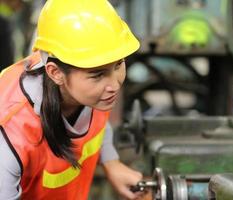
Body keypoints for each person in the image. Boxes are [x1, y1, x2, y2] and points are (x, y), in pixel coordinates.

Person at [0, 0, 144, 199]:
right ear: (55, 73)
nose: (114, 85)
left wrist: (112, 163)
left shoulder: (88, 88)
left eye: (119, 65)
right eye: (97, 74)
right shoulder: (9, 135)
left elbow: (98, 121)